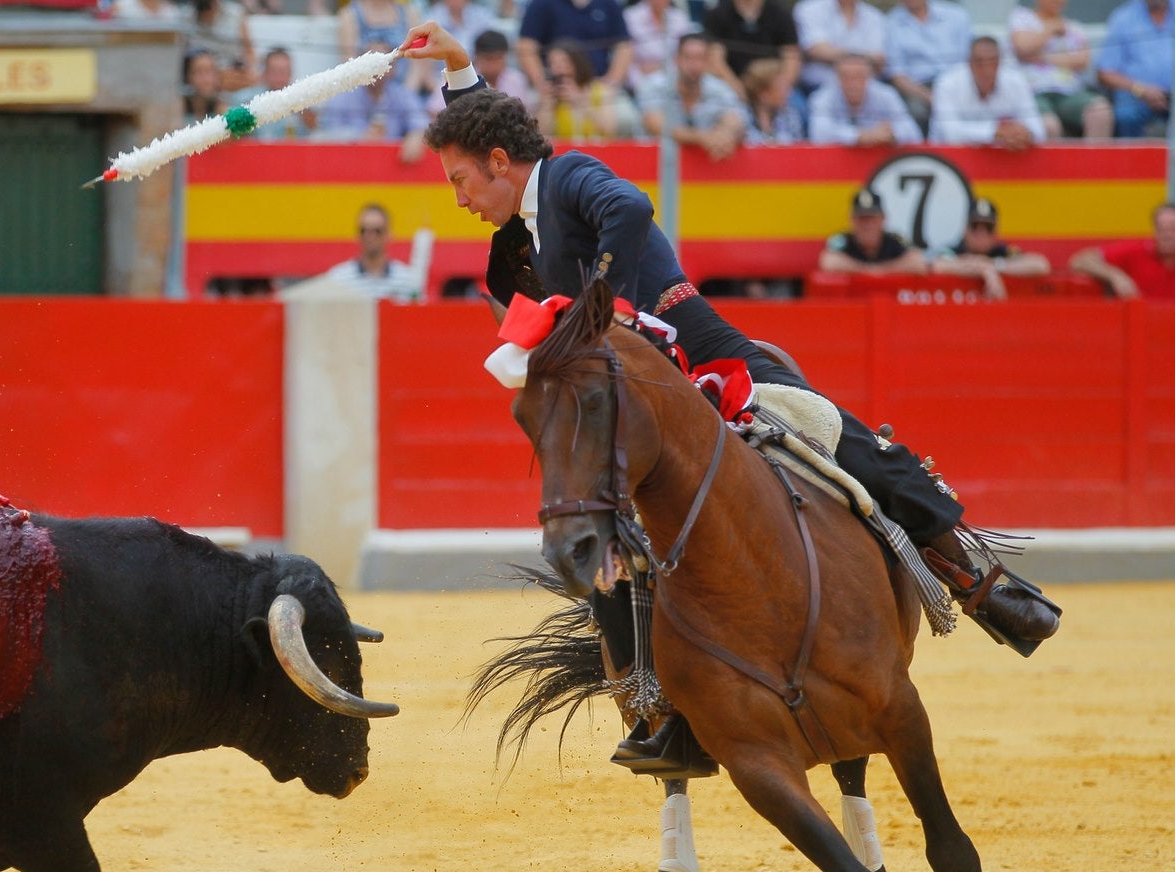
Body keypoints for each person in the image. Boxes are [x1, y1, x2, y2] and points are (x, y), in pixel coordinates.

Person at [399, 22, 1061, 772]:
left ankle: (974, 574)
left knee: (832, 437)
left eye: (458, 181)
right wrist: (457, 66)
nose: (457, 200)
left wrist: (598, 300)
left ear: (495, 165)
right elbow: (483, 126)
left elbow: (633, 209)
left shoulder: (571, 174)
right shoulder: (527, 231)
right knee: (606, 532)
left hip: (706, 352)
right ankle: (659, 707)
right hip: (647, 400)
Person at [1006, 0, 1113, 139]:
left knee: (1101, 112)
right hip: (1034, 91)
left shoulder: (1073, 26)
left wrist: (1043, 57)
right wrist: (1049, 29)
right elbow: (1023, 48)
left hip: (1069, 91)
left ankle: (1093, 161)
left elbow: (1082, 61)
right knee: (1048, 125)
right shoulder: (1021, 17)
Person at [638, 32, 747, 161]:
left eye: (700, 58)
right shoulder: (654, 84)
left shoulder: (718, 88)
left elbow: (735, 120)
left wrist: (725, 135)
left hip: (707, 165)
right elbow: (656, 125)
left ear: (708, 61)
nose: (694, 65)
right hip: (653, 163)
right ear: (676, 59)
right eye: (688, 58)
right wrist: (702, 137)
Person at [318, 42, 431, 163]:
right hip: (349, 166)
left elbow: (421, 121)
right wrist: (358, 138)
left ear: (393, 69)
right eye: (371, 64)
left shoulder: (401, 95)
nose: (377, 70)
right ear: (359, 66)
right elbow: (325, 134)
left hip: (393, 168)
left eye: (383, 63)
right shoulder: (342, 97)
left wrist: (416, 136)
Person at [929, 36, 1045, 149]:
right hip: (948, 163)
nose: (987, 70)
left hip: (1004, 160)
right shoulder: (947, 83)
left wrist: (1025, 135)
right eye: (979, 62)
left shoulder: (1016, 81)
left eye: (992, 62)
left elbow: (1038, 130)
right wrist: (994, 133)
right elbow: (949, 134)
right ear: (969, 62)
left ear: (1000, 62)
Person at [930, 198, 1051, 300]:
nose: (981, 234)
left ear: (996, 232)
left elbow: (1040, 265)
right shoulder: (953, 251)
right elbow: (937, 265)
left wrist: (994, 266)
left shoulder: (1002, 252)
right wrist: (985, 270)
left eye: (988, 228)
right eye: (975, 226)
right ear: (965, 229)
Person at [516, 0, 634, 103]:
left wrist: (611, 82)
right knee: (531, 114)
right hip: (554, 86)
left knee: (624, 118)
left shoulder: (608, 3)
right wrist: (541, 83)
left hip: (597, 84)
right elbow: (526, 47)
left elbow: (624, 46)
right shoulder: (541, 3)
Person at [883, 0, 971, 134]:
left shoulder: (957, 16)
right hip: (918, 89)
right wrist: (930, 96)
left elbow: (968, 59)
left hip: (957, 83)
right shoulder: (890, 23)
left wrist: (948, 92)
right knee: (915, 111)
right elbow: (897, 75)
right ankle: (920, 153)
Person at [1093, 0, 1172, 138]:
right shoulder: (1124, 17)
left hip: (1172, 95)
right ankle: (1129, 159)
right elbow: (1105, 72)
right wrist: (1141, 89)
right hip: (1136, 96)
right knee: (1126, 115)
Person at [806, 52, 921, 146]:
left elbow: (913, 132)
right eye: (846, 77)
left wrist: (891, 134)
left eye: (859, 76)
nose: (853, 84)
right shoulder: (822, 97)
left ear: (870, 77)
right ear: (836, 78)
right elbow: (818, 134)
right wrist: (860, 136)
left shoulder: (886, 94)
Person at [702, 0, 801, 105]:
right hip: (729, 87)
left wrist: (779, 90)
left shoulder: (781, 14)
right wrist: (739, 91)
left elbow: (792, 58)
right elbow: (715, 61)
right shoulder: (717, 14)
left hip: (773, 84)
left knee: (798, 107)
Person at [1068, 202, 1175, 299]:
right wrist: (1116, 276)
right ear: (1154, 230)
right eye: (1161, 229)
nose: (1167, 235)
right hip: (1140, 318)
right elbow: (1080, 261)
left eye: (1172, 228)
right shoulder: (1137, 251)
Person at [322, 203, 422, 301]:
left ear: (389, 234)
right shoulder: (338, 279)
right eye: (364, 230)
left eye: (377, 231)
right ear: (357, 234)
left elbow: (419, 315)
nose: (370, 236)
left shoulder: (408, 281)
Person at [538, 39, 633, 139]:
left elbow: (609, 130)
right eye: (552, 63)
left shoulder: (600, 90)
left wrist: (579, 101)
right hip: (563, 151)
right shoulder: (549, 95)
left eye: (564, 62)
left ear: (577, 62)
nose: (558, 68)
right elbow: (541, 134)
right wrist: (547, 105)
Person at [818, 188, 927, 274]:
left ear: (883, 218)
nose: (867, 225)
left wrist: (879, 270)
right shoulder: (842, 240)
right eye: (862, 218)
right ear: (852, 220)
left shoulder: (895, 239)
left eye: (872, 218)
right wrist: (868, 270)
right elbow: (829, 262)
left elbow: (918, 263)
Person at [793, 0, 885, 95]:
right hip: (818, 87)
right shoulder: (809, 9)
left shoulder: (874, 15)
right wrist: (863, 57)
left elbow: (879, 60)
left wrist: (836, 55)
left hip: (867, 90)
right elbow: (816, 50)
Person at [241, 48, 318, 140]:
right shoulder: (248, 99)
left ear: (290, 73)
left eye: (283, 71)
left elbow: (314, 130)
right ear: (265, 73)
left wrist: (304, 112)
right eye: (274, 71)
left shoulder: (302, 100)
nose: (279, 77)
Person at [624, 0, 696, 91]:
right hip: (638, 84)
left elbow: (686, 55)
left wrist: (666, 71)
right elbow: (624, 58)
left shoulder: (679, 17)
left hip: (675, 83)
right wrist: (640, 86)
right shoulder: (630, 17)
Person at [188, 0, 257, 93]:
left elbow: (249, 51)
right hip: (202, 75)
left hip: (233, 73)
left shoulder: (235, 14)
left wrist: (249, 69)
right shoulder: (185, 18)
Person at [740, 56, 806, 144]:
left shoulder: (790, 115)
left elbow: (798, 149)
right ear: (763, 94)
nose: (789, 93)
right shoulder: (741, 117)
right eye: (782, 88)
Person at [182, 49, 228, 121]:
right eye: (199, 72)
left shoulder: (223, 109)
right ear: (187, 76)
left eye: (211, 71)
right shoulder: (179, 106)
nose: (207, 80)